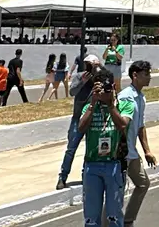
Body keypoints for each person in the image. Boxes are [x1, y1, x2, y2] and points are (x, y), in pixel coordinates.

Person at [78, 68, 133, 227]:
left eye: (106, 88)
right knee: (91, 217)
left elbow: (123, 125)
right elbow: (81, 128)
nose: (104, 92)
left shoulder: (124, 105)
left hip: (113, 164)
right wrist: (93, 103)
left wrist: (110, 105)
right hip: (92, 165)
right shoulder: (89, 107)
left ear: (114, 87)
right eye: (99, 88)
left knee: (114, 215)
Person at [118, 60, 157, 226]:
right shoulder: (126, 97)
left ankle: (128, 220)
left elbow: (140, 126)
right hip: (120, 153)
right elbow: (119, 124)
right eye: (146, 74)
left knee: (143, 183)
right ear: (135, 75)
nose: (149, 77)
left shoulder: (140, 98)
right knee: (116, 193)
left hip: (132, 152)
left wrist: (147, 151)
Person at [56, 54, 99, 190]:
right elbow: (72, 92)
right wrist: (83, 81)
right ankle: (62, 176)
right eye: (88, 65)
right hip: (78, 117)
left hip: (92, 118)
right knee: (71, 148)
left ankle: (85, 175)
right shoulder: (80, 76)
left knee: (90, 149)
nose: (90, 68)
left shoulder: (99, 78)